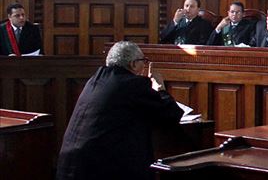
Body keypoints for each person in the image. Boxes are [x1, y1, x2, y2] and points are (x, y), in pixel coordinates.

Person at [56, 41, 183, 180]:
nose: (144, 65)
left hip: (70, 167)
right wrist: (160, 88)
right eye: (143, 61)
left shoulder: (95, 80)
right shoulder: (132, 84)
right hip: (99, 170)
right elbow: (172, 114)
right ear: (133, 64)